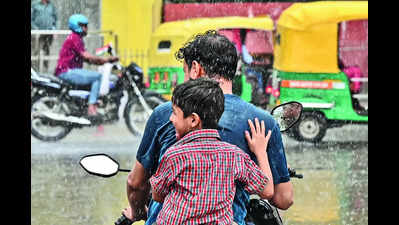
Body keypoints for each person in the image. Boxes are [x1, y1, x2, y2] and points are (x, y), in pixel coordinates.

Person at [123, 30, 293, 225]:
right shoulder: (260, 124)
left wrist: (138, 211)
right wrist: (261, 154)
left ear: (195, 69)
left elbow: (136, 184)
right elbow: (283, 198)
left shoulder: (166, 115)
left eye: (184, 72)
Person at [149, 78, 274, 224]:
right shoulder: (234, 156)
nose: (171, 119)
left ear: (194, 120)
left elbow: (157, 195)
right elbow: (267, 191)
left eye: (175, 113)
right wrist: (261, 152)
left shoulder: (174, 155)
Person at [54, 14, 118, 116]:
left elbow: (87, 59)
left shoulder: (76, 38)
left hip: (68, 70)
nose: (86, 28)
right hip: (67, 71)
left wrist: (103, 61)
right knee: (97, 77)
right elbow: (87, 56)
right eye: (84, 26)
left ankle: (86, 104)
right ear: (78, 26)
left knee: (93, 77)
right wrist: (106, 59)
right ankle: (92, 107)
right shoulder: (74, 38)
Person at [31, 0, 58, 72]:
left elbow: (56, 18)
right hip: (37, 34)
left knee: (47, 51)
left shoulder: (51, 5)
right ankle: (35, 70)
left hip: (48, 33)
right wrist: (35, 29)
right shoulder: (35, 4)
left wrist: (54, 29)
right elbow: (31, 19)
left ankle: (45, 70)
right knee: (36, 52)